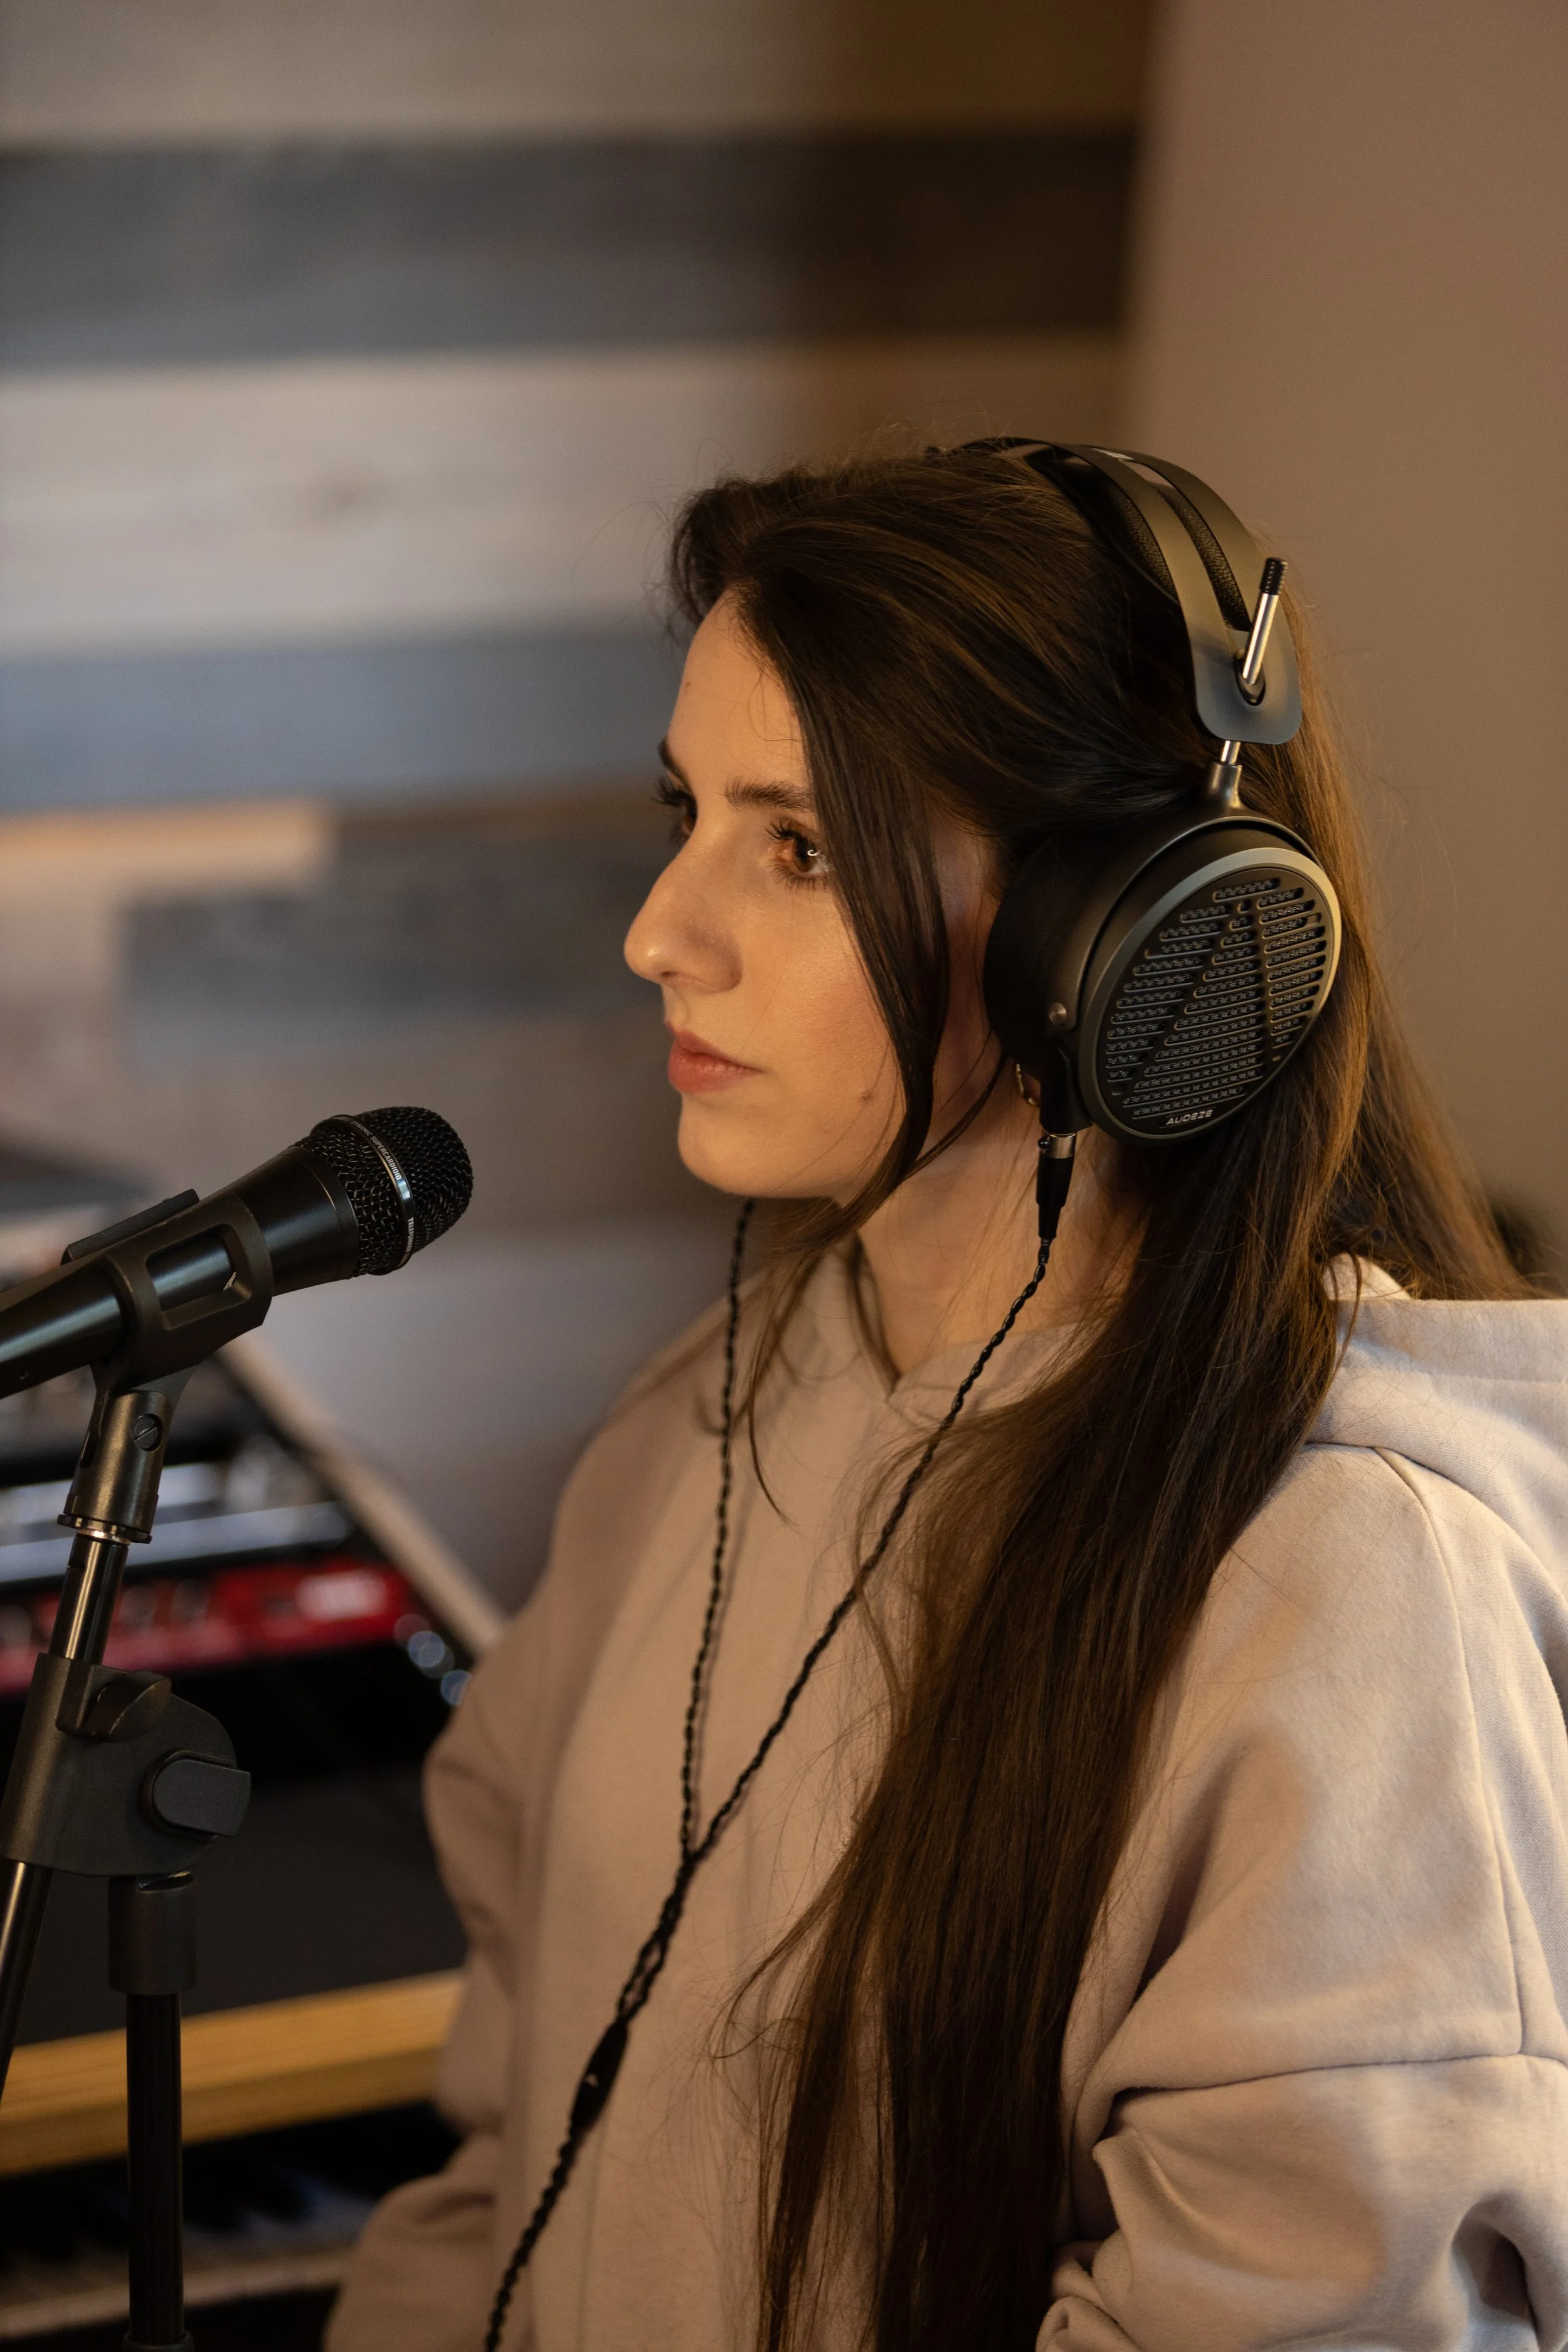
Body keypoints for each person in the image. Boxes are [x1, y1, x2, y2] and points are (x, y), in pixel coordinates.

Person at [327, 445, 1568, 2351]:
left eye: (799, 846)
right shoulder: (696, 1432)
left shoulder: (1347, 1592)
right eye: (688, 812)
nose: (661, 929)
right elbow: (499, 2168)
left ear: (1130, 945)